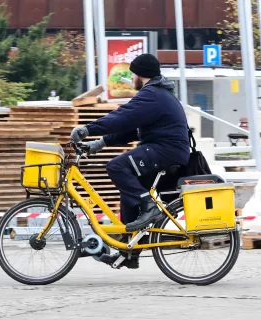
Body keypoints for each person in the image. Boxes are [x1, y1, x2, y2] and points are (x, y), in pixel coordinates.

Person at [70, 53, 190, 268]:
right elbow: (133, 129)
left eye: (133, 74)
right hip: (166, 149)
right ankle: (129, 252)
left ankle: (150, 207)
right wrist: (100, 143)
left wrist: (88, 129)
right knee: (129, 197)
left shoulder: (151, 94)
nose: (132, 78)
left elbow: (122, 117)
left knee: (117, 166)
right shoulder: (157, 94)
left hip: (165, 150)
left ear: (140, 75)